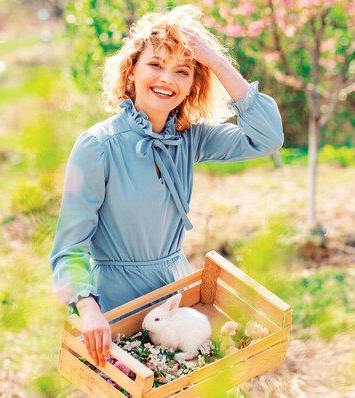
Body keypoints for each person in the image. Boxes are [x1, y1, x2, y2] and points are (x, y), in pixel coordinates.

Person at [50, 5, 283, 367]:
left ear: (193, 85)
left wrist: (216, 62)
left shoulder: (189, 138)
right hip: (116, 299)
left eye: (182, 71)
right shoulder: (97, 145)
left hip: (174, 292)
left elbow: (266, 138)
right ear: (131, 72)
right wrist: (86, 305)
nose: (167, 79)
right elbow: (69, 246)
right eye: (155, 65)